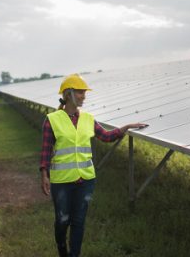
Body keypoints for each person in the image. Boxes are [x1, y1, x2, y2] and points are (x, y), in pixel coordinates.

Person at [40, 73, 147, 257]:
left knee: (79, 221)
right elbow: (46, 150)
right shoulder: (52, 119)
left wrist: (126, 127)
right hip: (62, 182)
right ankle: (61, 248)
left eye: (84, 92)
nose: (84, 96)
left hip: (86, 179)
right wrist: (44, 175)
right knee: (62, 221)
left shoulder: (88, 118)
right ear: (69, 94)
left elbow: (106, 136)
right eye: (80, 92)